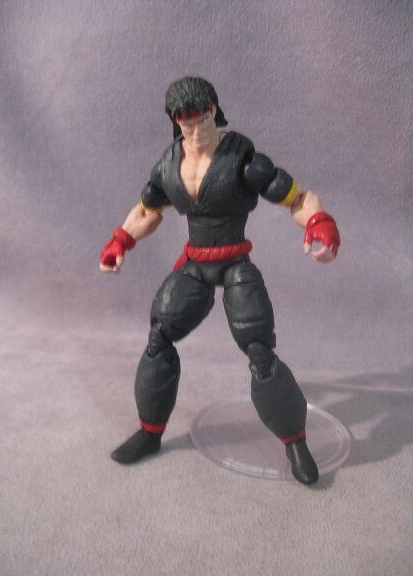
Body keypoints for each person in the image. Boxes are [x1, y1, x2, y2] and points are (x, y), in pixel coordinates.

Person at [100, 77, 340, 485]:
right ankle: (150, 433)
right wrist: (120, 241)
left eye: (203, 119)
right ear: (175, 121)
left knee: (260, 350)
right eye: (187, 123)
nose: (197, 130)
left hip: (234, 263)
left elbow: (297, 198)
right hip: (195, 264)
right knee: (159, 336)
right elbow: (147, 210)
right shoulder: (168, 165)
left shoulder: (243, 160)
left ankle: (295, 442)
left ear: (214, 110)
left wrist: (320, 224)